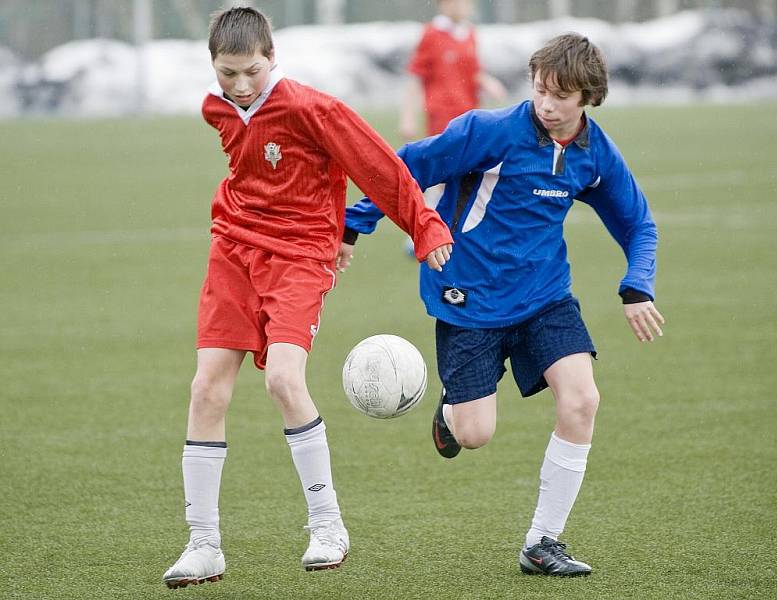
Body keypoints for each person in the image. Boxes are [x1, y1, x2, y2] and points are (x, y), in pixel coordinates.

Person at [341, 33, 665, 577]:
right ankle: (449, 414)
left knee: (582, 399)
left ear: (588, 97)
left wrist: (638, 284)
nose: (546, 104)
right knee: (475, 434)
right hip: (468, 296)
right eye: (540, 90)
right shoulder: (488, 131)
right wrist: (354, 224)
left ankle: (543, 542)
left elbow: (637, 222)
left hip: (545, 297)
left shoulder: (593, 153)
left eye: (561, 96)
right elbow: (406, 167)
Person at [162, 7, 453, 589]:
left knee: (283, 381)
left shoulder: (308, 107)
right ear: (212, 68)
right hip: (234, 249)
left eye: (251, 71)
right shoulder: (214, 109)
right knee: (206, 388)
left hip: (298, 256)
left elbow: (372, 163)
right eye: (227, 73)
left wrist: (422, 227)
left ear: (272, 57)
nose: (240, 85)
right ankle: (203, 544)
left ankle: (327, 525)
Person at [399, 0, 505, 256]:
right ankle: (421, 232)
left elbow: (472, 71)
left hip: (470, 119)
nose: (463, 6)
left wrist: (487, 82)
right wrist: (408, 116)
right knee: (437, 176)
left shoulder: (469, 34)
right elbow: (416, 78)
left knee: (467, 175)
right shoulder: (432, 34)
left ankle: (451, 232)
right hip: (442, 118)